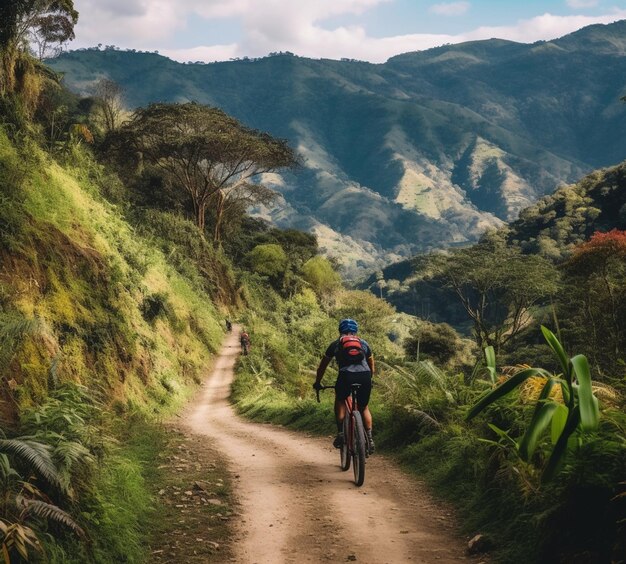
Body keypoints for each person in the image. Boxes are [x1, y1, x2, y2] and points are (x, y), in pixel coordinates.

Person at [313, 318, 375, 454]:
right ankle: (369, 438)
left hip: (346, 376)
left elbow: (322, 366)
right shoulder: (363, 343)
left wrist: (318, 382)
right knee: (363, 407)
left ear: (340, 330)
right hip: (365, 376)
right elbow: (371, 365)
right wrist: (370, 379)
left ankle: (341, 433)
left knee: (340, 399)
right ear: (356, 330)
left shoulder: (335, 344)